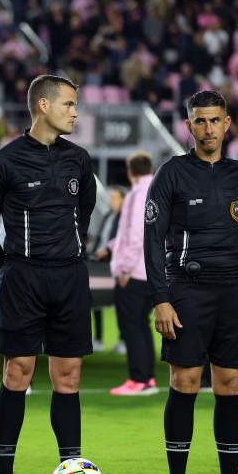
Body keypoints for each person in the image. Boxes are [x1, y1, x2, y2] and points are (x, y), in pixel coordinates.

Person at [144, 90, 238, 474]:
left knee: (230, 384)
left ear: (227, 123)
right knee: (184, 382)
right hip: (187, 289)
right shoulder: (171, 174)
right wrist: (161, 298)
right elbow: (152, 239)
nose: (208, 129)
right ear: (188, 126)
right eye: (199, 121)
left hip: (235, 289)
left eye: (215, 121)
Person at [0, 74, 97, 474]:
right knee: (17, 373)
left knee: (69, 377)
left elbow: (84, 214)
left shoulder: (80, 160)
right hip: (21, 278)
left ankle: (74, 473)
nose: (75, 112)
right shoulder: (3, 161)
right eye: (68, 104)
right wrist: (10, 271)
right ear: (43, 106)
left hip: (69, 278)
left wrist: (66, 255)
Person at [109, 152, 158, 396]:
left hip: (136, 271)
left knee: (132, 326)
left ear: (130, 171)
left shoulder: (138, 194)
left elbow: (137, 234)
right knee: (141, 325)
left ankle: (139, 379)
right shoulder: (159, 188)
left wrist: (125, 268)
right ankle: (147, 379)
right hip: (152, 271)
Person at [90, 186, 122, 352]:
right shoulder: (108, 216)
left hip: (114, 265)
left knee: (121, 304)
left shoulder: (125, 218)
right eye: (111, 197)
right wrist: (91, 252)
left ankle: (123, 341)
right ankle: (99, 339)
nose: (112, 201)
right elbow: (99, 238)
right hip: (100, 264)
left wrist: (107, 251)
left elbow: (120, 240)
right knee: (96, 303)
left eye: (115, 197)